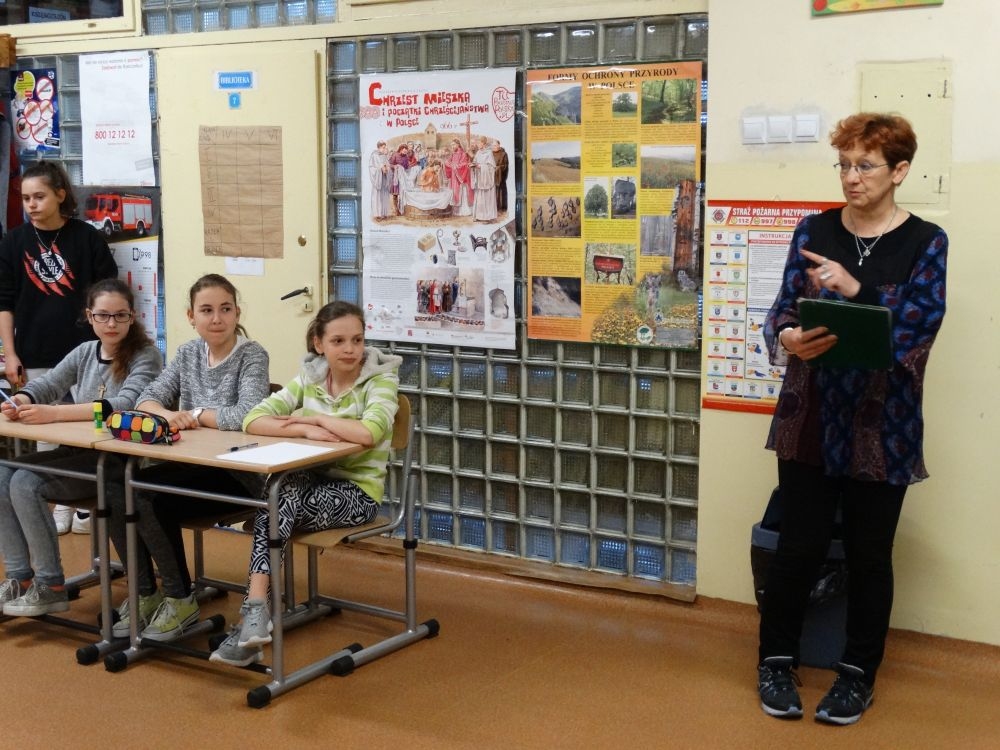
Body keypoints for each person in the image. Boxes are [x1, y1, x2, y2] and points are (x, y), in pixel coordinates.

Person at [756, 113, 947, 726]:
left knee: (869, 555)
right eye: (843, 164)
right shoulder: (814, 229)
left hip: (883, 425)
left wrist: (855, 290)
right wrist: (787, 335)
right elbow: (782, 310)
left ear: (900, 171)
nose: (851, 177)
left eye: (865, 165)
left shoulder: (926, 241)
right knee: (798, 547)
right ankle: (775, 662)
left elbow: (920, 323)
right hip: (811, 414)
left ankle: (857, 676)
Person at [210, 300, 400, 667]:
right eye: (338, 341)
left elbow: (369, 432)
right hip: (308, 483)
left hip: (358, 493)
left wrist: (319, 421)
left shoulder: (380, 379)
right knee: (281, 493)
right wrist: (303, 429)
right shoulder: (311, 376)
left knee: (271, 510)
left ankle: (253, 615)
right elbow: (253, 419)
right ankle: (255, 614)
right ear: (319, 344)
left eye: (357, 340)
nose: (350, 349)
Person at [107, 274, 270, 642]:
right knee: (115, 486)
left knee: (144, 493)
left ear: (237, 312)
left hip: (236, 473)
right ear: (191, 316)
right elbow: (146, 399)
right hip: (191, 466)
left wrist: (193, 414)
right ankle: (146, 593)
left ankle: (180, 599)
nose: (217, 318)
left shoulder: (252, 354)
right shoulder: (187, 353)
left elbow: (246, 414)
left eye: (225, 309)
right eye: (207, 310)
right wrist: (166, 415)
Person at [0, 279, 161, 616]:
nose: (111, 323)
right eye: (103, 315)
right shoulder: (86, 351)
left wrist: (54, 413)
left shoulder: (145, 355)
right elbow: (48, 384)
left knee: (26, 483)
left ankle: (51, 585)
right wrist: (22, 399)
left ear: (132, 317)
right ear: (90, 316)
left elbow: (124, 405)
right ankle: (20, 578)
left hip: (118, 460)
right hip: (81, 452)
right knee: (3, 473)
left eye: (120, 315)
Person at [0, 161, 118, 536]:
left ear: (60, 195)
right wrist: (10, 354)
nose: (31, 205)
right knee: (46, 433)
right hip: (35, 351)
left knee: (87, 426)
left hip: (85, 353)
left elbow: (108, 295)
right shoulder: (14, 242)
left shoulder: (86, 238)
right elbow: (5, 303)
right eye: (25, 198)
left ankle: (83, 502)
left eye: (39, 196)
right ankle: (57, 503)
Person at [470, 136, 498, 223]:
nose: (477, 144)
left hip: (486, 179)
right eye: (477, 143)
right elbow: (475, 162)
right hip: (479, 178)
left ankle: (487, 217)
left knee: (486, 198)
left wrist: (480, 166)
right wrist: (472, 165)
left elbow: (491, 167)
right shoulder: (478, 152)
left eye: (479, 143)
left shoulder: (489, 153)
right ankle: (479, 216)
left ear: (484, 143)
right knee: (479, 198)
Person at [443, 138, 473, 217]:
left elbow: (465, 165)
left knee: (461, 194)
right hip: (454, 178)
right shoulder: (453, 154)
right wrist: (447, 163)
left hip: (460, 178)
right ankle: (456, 211)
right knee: (455, 193)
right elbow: (448, 162)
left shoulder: (463, 154)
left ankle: (464, 211)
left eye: (453, 145)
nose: (452, 146)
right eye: (451, 145)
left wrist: (455, 167)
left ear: (458, 145)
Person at [368, 140, 392, 221]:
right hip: (378, 179)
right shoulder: (374, 155)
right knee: (377, 196)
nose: (385, 149)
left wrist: (387, 169)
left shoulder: (384, 156)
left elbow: (388, 165)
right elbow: (371, 167)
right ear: (379, 147)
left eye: (385, 147)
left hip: (384, 179)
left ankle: (384, 214)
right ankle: (377, 214)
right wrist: (380, 169)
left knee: (384, 195)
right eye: (383, 147)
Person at [491, 139, 510, 214]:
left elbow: (505, 165)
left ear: (499, 145)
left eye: (495, 145)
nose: (494, 147)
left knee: (500, 192)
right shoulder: (490, 154)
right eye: (493, 146)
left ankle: (501, 208)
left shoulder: (503, 154)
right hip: (491, 176)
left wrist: (498, 168)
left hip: (500, 177)